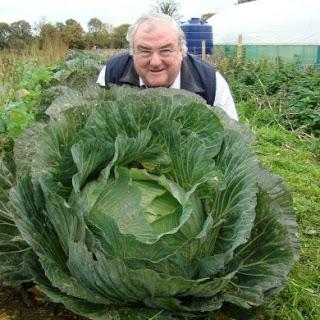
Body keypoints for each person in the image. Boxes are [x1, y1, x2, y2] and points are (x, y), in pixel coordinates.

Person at [97, 13, 238, 120]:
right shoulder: (112, 73)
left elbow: (233, 140)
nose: (155, 62)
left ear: (181, 51)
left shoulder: (210, 82)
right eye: (145, 51)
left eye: (165, 50)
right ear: (132, 53)